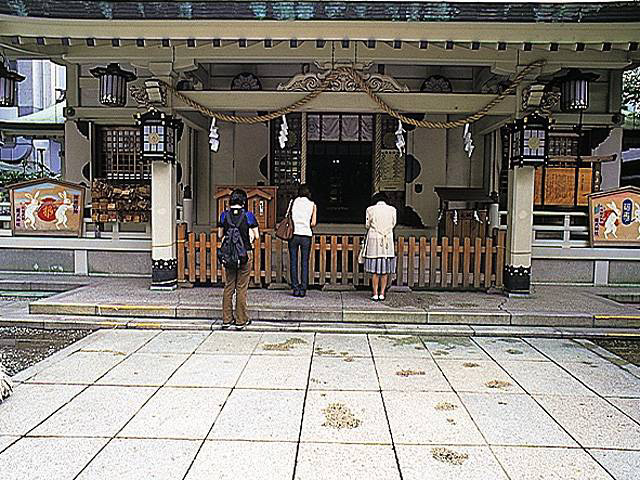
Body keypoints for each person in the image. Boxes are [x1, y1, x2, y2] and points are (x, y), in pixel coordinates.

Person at [218, 188, 259, 329]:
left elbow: (220, 235)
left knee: (229, 285)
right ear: (244, 201)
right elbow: (257, 235)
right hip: (245, 254)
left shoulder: (224, 215)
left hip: (229, 255)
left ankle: (226, 319)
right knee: (241, 287)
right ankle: (241, 320)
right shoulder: (248, 216)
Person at [364, 192, 397, 301]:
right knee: (385, 271)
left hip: (374, 242)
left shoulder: (370, 209)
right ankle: (382, 293)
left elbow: (367, 225)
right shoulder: (392, 210)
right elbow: (393, 224)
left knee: (375, 272)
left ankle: (375, 293)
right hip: (387, 242)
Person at [288, 184, 317, 297]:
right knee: (304, 261)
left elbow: (288, 216)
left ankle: (295, 287)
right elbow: (313, 223)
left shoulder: (293, 202)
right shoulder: (312, 204)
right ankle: (303, 288)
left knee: (293, 261)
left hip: (294, 234)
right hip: (306, 235)